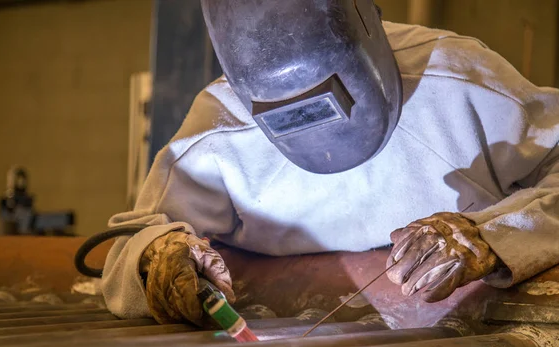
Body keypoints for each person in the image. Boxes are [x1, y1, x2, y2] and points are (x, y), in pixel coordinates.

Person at [101, 1, 559, 326]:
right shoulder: (219, 129)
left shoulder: (457, 82)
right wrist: (157, 258)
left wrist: (493, 234)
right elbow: (132, 248)